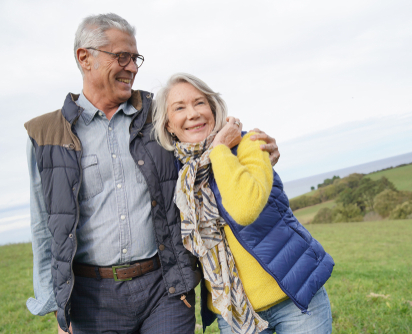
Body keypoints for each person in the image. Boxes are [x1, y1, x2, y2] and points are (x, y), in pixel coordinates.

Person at [24, 14, 280, 334]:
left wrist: (253, 148)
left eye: (135, 58)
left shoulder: (156, 114)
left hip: (166, 288)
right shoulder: (46, 134)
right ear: (84, 57)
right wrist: (59, 310)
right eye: (122, 57)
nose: (132, 67)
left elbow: (204, 128)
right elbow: (44, 226)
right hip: (92, 299)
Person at [152, 73, 335, 334]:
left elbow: (244, 209)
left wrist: (218, 149)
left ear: (213, 109)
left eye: (200, 103)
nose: (192, 114)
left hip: (294, 299)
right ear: (169, 124)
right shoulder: (180, 177)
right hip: (236, 313)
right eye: (179, 108)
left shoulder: (250, 143)